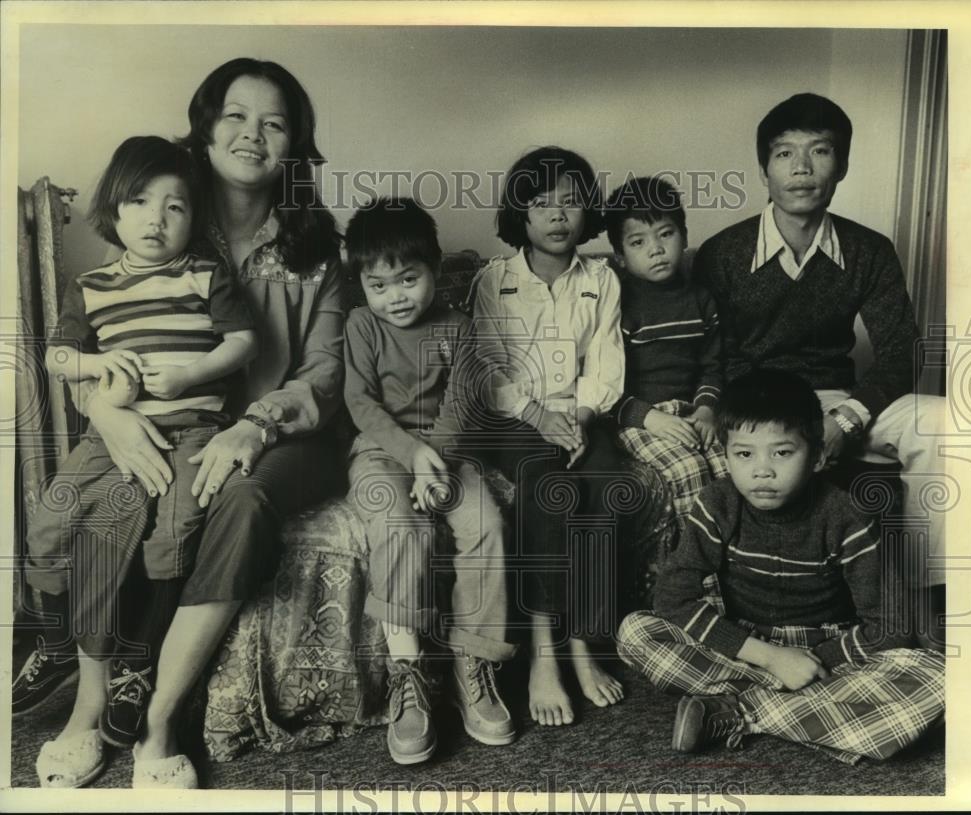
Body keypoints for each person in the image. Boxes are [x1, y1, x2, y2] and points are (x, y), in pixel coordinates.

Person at [19, 58, 345, 789]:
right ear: (205, 127)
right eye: (235, 114)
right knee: (116, 499)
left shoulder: (319, 250)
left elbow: (324, 375)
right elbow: (101, 345)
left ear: (295, 144)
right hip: (161, 421)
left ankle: (159, 719)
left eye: (275, 121)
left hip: (286, 434)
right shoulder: (159, 220)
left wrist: (254, 425)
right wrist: (109, 415)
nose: (252, 133)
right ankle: (92, 705)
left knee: (241, 495)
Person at [22, 135, 257, 787]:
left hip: (191, 429)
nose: (156, 218)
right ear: (112, 210)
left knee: (173, 529)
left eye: (175, 206)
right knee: (49, 523)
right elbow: (58, 357)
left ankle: (137, 660)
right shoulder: (90, 286)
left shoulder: (206, 273)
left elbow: (242, 340)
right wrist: (96, 366)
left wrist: (192, 374)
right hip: (110, 434)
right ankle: (53, 642)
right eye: (139, 200)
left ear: (194, 218)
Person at [693, 93, 946, 643]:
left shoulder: (869, 250)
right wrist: (789, 428)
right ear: (764, 169)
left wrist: (848, 418)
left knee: (945, 421)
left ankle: (929, 602)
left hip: (839, 400)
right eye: (785, 154)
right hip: (759, 405)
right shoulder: (723, 253)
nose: (802, 169)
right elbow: (721, 356)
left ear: (843, 165)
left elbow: (902, 351)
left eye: (820, 151)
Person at [617, 369, 945, 764]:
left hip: (827, 647)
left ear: (819, 455)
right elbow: (672, 597)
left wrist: (815, 661)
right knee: (636, 632)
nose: (762, 470)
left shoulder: (845, 516)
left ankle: (743, 711)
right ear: (726, 455)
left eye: (782, 452)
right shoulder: (717, 503)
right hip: (747, 642)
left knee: (940, 679)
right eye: (744, 454)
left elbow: (889, 627)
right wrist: (773, 659)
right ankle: (796, 706)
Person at [344, 197, 516, 764]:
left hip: (449, 452)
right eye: (379, 284)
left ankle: (474, 665)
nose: (395, 296)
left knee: (486, 523)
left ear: (436, 271)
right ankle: (408, 671)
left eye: (408, 279)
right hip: (381, 449)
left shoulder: (458, 327)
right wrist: (411, 455)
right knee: (401, 525)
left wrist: (434, 462)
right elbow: (361, 403)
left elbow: (461, 403)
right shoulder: (362, 326)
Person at [472, 146, 639, 727]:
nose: (558, 215)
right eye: (542, 204)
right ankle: (546, 648)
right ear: (521, 216)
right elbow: (487, 369)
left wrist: (584, 417)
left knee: (610, 486)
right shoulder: (494, 281)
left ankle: (583, 644)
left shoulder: (602, 278)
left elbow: (606, 361)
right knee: (547, 487)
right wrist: (537, 415)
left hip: (581, 415)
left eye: (570, 202)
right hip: (516, 421)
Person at [604, 175, 728, 525]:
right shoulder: (617, 305)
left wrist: (706, 410)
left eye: (666, 234)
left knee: (730, 464)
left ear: (684, 238)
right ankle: (694, 572)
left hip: (691, 411)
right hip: (638, 419)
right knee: (689, 469)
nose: (655, 249)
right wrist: (648, 417)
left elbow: (712, 366)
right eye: (638, 242)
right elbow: (604, 384)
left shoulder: (701, 300)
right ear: (620, 257)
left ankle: (738, 565)